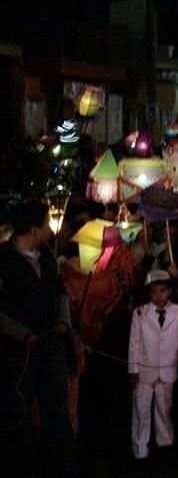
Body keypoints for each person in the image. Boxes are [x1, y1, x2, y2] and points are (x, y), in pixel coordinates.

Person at [0, 199, 76, 471]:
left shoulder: (46, 256)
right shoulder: (4, 260)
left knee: (56, 406)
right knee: (19, 407)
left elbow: (60, 292)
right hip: (19, 351)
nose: (50, 229)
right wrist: (21, 334)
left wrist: (64, 322)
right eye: (45, 223)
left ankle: (60, 462)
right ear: (33, 229)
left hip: (51, 342)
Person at [128, 269, 178, 460]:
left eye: (162, 291)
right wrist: (133, 369)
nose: (158, 296)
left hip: (167, 369)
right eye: (154, 292)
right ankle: (140, 449)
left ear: (169, 291)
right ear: (149, 293)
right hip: (145, 370)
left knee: (164, 409)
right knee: (142, 411)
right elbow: (134, 343)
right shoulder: (140, 313)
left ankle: (165, 444)